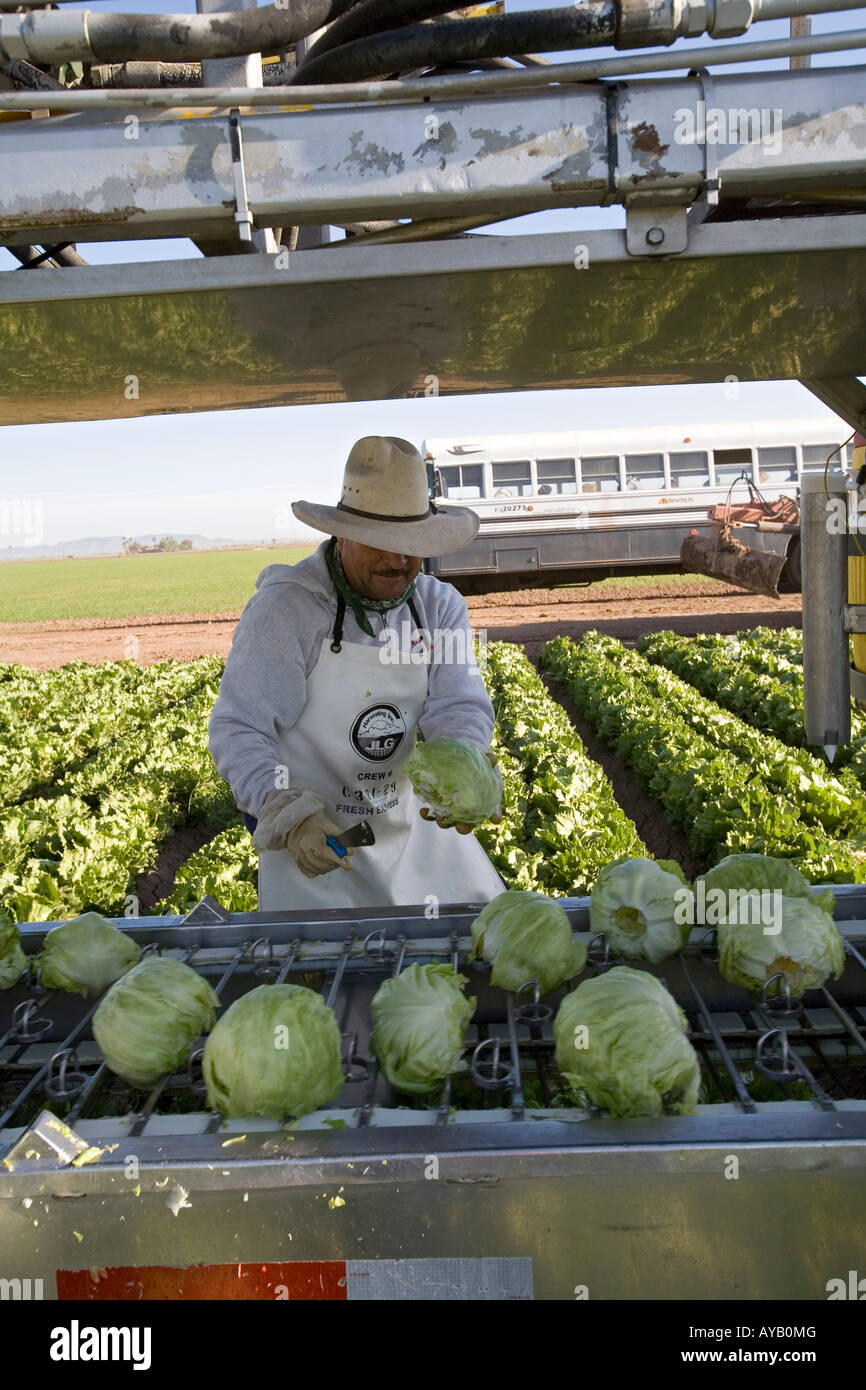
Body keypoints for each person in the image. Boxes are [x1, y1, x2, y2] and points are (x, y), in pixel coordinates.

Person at [209, 435, 506, 910]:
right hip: (319, 844)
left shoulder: (437, 607)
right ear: (341, 533)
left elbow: (460, 704)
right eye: (381, 544)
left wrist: (466, 762)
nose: (399, 561)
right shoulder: (287, 610)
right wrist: (288, 814)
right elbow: (240, 728)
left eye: (413, 546)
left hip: (412, 835)